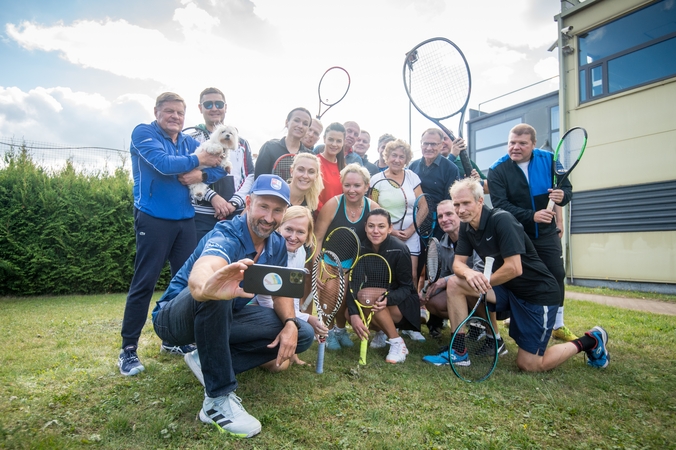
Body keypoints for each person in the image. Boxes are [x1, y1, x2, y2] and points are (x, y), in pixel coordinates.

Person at [151, 174, 314, 438]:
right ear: (248, 202)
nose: (269, 217)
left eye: (277, 210)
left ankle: (206, 359)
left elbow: (280, 292)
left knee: (302, 334)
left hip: (227, 316)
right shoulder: (227, 232)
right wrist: (208, 286)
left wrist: (290, 323)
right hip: (174, 318)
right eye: (263, 206)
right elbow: (206, 268)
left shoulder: (276, 244)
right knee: (218, 291)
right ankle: (217, 401)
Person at [423, 179, 609, 372]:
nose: (460, 210)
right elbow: (458, 264)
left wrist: (483, 283)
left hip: (536, 294)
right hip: (506, 289)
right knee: (456, 283)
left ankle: (591, 340)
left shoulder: (501, 219)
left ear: (479, 201)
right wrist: (470, 274)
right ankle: (459, 351)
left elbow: (514, 268)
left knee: (530, 365)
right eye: (457, 205)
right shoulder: (467, 227)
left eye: (466, 203)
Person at [118, 92, 225, 377]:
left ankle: (173, 340)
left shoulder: (189, 143)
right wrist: (197, 159)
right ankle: (128, 350)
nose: (175, 117)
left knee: (190, 285)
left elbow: (218, 168)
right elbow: (164, 164)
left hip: (185, 220)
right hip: (152, 218)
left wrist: (198, 174)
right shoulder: (143, 133)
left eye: (179, 112)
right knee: (145, 282)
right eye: (169, 111)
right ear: (157, 112)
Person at [487, 124, 575, 341]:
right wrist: (532, 215)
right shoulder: (497, 169)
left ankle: (558, 324)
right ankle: (517, 318)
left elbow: (568, 190)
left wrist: (561, 196)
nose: (515, 147)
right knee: (519, 277)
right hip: (515, 235)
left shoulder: (550, 160)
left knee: (556, 273)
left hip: (546, 233)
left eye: (522, 143)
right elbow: (500, 205)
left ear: (533, 144)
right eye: (512, 143)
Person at [314, 164, 379, 350]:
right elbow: (318, 238)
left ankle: (340, 330)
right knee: (331, 296)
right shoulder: (333, 205)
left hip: (356, 263)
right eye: (347, 185)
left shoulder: (373, 207)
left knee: (345, 299)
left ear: (366, 186)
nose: (352, 190)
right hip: (329, 261)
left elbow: (379, 237)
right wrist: (318, 267)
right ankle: (325, 331)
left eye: (357, 186)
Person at [254, 206, 329, 367]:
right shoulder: (269, 253)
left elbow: (292, 297)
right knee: (279, 365)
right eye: (288, 229)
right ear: (278, 227)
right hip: (256, 308)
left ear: (308, 234)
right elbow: (267, 302)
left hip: (274, 311)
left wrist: (302, 318)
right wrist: (308, 318)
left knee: (283, 362)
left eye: (300, 232)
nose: (293, 237)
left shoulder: (300, 251)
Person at [347, 209, 421, 363]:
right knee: (349, 313)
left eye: (381, 226)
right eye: (371, 226)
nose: (375, 231)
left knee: (367, 296)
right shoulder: (361, 249)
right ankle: (381, 331)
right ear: (365, 227)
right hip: (375, 300)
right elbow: (353, 284)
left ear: (389, 228)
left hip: (402, 305)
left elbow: (407, 287)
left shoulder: (400, 249)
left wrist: (388, 299)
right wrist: (354, 314)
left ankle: (397, 342)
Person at [185, 87, 255, 240]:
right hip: (199, 216)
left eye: (219, 104)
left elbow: (250, 176)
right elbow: (187, 176)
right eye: (208, 104)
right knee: (199, 263)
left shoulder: (241, 143)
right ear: (200, 108)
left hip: (235, 215)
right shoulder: (190, 139)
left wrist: (234, 203)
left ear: (226, 107)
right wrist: (213, 197)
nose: (214, 108)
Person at [419, 200, 489, 343]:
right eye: (440, 216)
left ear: (458, 214)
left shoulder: (475, 236)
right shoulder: (443, 241)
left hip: (488, 288)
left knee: (462, 285)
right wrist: (427, 290)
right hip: (459, 288)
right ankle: (471, 325)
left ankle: (486, 330)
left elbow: (479, 271)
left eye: (449, 214)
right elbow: (443, 274)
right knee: (433, 302)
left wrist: (443, 281)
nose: (444, 219)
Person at [370, 139, 424, 283]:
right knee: (389, 276)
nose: (397, 160)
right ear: (387, 156)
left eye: (402, 157)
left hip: (411, 235)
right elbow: (373, 211)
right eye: (394, 155)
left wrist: (411, 231)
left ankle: (411, 305)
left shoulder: (412, 177)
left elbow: (424, 207)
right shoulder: (375, 180)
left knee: (411, 276)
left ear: (406, 160)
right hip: (385, 235)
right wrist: (390, 231)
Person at [254, 107, 313, 179]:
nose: (300, 126)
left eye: (305, 124)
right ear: (287, 122)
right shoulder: (269, 147)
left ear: (307, 129)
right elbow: (259, 181)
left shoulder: (310, 155)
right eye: (296, 120)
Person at [409, 128, 460, 207]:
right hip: (413, 216)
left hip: (438, 217)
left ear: (441, 145)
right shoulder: (412, 167)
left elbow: (450, 202)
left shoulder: (451, 169)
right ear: (421, 144)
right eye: (425, 143)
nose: (429, 148)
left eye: (433, 144)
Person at [316, 122, 347, 208]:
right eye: (331, 139)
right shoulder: (314, 163)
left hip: (336, 218)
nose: (334, 144)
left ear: (343, 142)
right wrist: (327, 216)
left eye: (338, 141)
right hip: (317, 218)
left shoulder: (344, 168)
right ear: (324, 139)